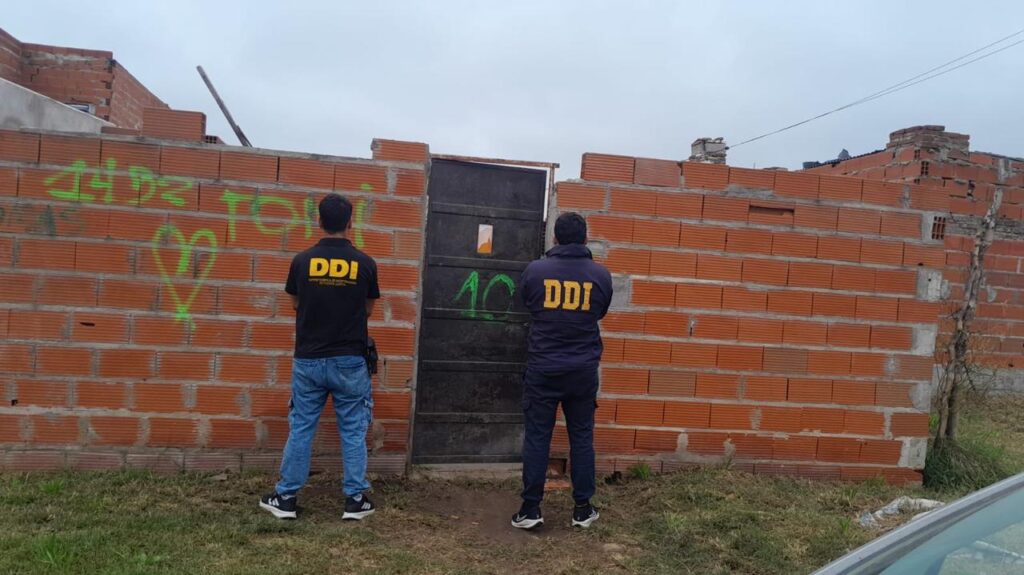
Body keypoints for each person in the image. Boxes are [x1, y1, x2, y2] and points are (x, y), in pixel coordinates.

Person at [260, 193, 380, 521]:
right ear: (351, 222)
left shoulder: (301, 261)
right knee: (353, 430)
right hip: (350, 360)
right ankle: (355, 500)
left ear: (319, 221)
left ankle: (285, 498)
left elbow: (295, 303)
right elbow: (368, 309)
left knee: (301, 427)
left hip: (309, 358)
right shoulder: (366, 263)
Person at [511, 212, 613, 530]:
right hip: (582, 371)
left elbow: (527, 305)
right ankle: (583, 509)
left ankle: (530, 509)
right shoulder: (600, 275)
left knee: (537, 437)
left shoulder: (535, 271)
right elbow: (600, 311)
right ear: (585, 238)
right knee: (581, 437)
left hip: (543, 368)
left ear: (554, 238)